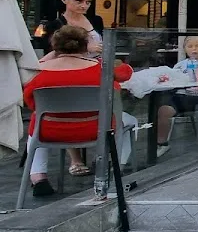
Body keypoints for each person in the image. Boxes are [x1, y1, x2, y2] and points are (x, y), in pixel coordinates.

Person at [22, 26, 133, 196]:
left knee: (37, 123)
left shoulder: (38, 72)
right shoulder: (101, 68)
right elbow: (125, 73)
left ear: (55, 46)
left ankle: (38, 178)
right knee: (127, 121)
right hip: (96, 129)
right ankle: (111, 165)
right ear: (85, 45)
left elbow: (31, 103)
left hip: (50, 131)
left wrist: (53, 54)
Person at [41, 0, 105, 59]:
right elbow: (51, 51)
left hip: (97, 61)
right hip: (70, 63)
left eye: (88, 2)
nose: (84, 6)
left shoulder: (96, 20)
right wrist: (85, 49)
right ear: (64, 0)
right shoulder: (55, 25)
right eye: (79, 1)